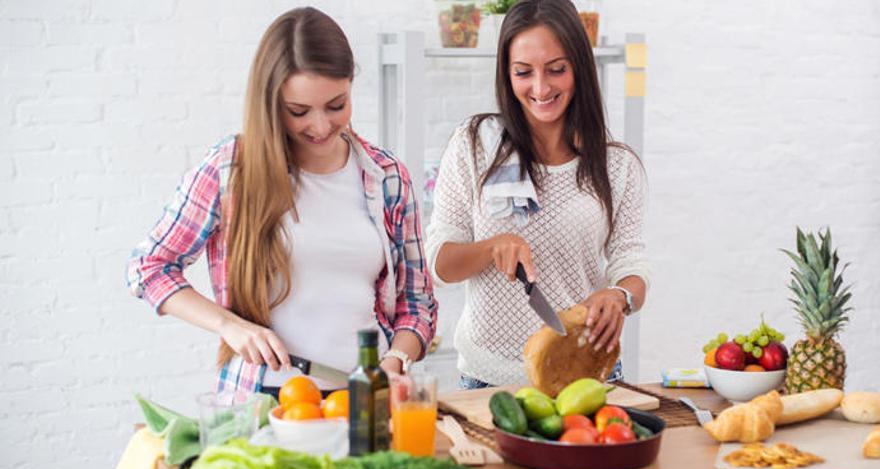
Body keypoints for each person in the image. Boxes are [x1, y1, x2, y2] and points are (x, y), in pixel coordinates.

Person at [127, 7, 436, 396]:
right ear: (271, 103)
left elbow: (417, 300)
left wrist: (393, 364)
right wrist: (230, 326)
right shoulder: (232, 169)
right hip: (262, 398)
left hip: (365, 398)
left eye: (337, 105)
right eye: (299, 111)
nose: (321, 126)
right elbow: (148, 268)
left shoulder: (387, 176)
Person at [425, 0, 649, 389]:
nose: (541, 88)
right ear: (506, 74)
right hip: (487, 381)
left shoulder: (617, 164)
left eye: (556, 69)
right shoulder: (475, 145)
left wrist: (618, 296)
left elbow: (631, 261)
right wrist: (492, 247)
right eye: (523, 72)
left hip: (586, 375)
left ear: (579, 67)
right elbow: (440, 264)